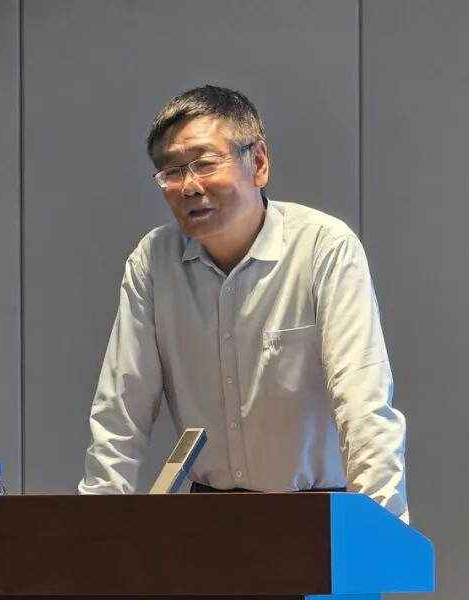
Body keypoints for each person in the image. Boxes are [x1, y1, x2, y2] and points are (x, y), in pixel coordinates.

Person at [78, 85, 409, 522]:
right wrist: (92, 532)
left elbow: (363, 408)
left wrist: (381, 534)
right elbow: (121, 411)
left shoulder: (323, 248)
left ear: (258, 163)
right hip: (206, 517)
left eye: (205, 163)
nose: (189, 186)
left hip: (318, 513)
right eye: (171, 171)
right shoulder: (154, 261)